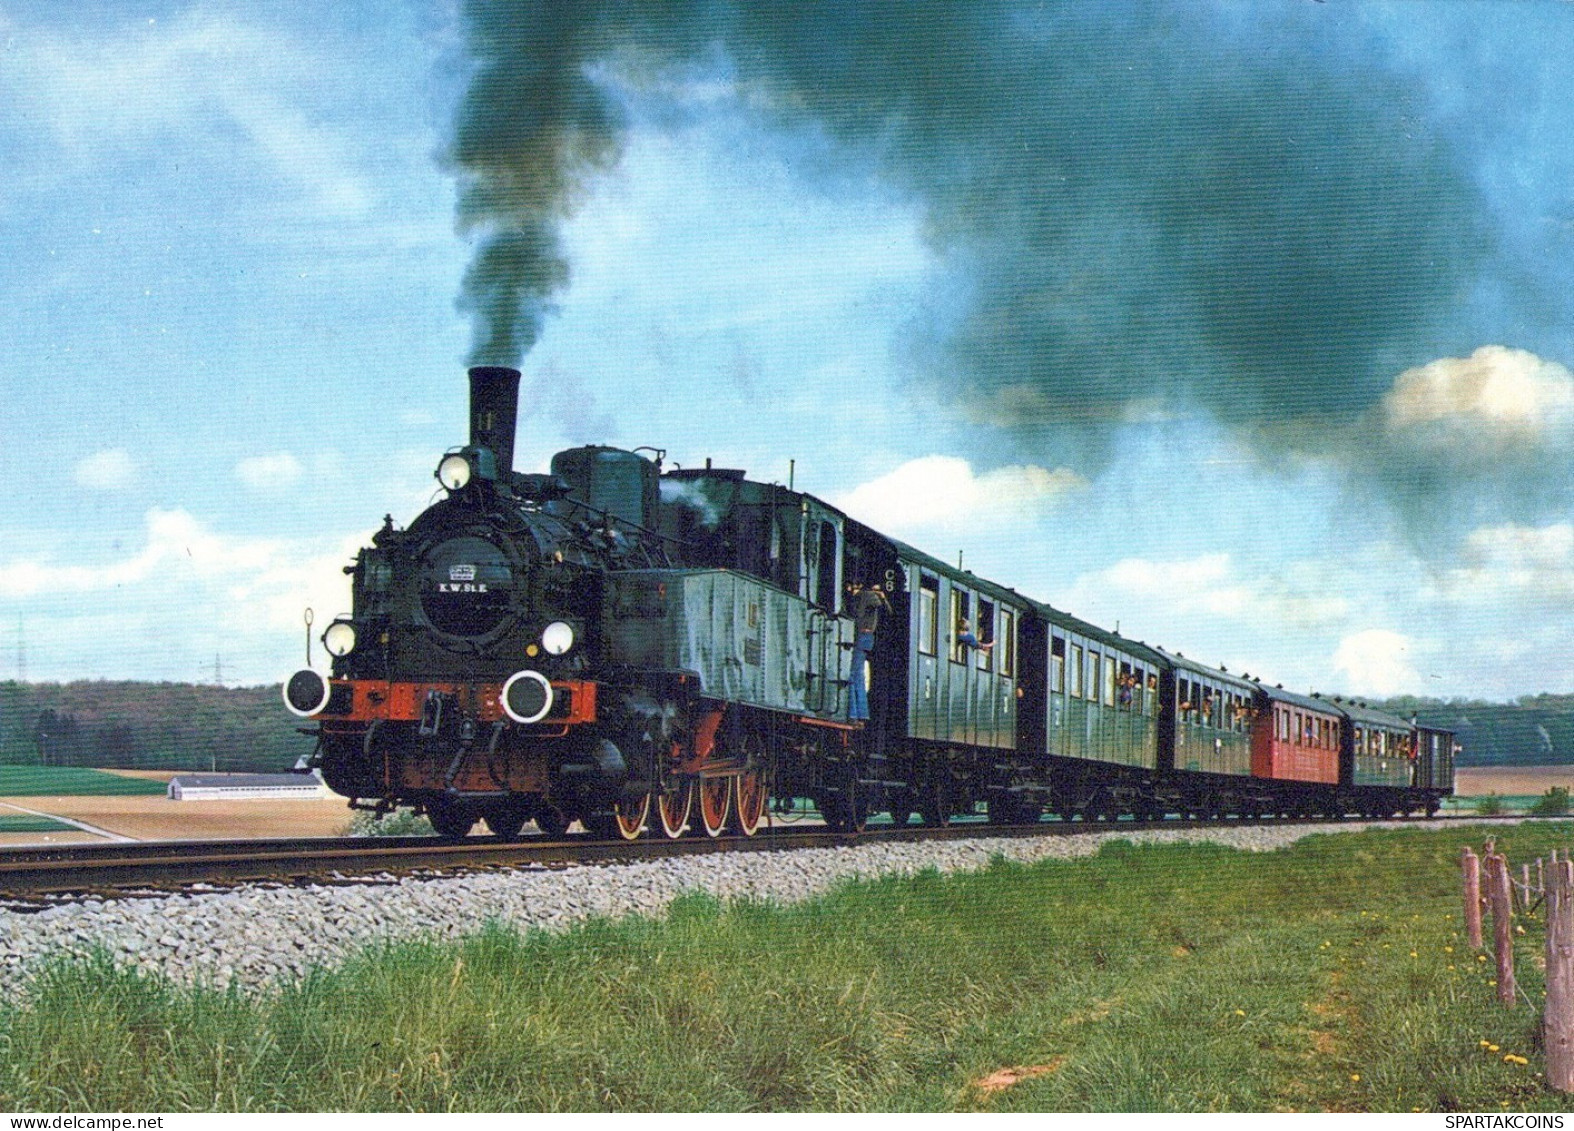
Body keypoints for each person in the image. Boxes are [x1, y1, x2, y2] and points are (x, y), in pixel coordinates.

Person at [846, 579, 892, 724]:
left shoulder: (864, 596)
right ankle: (862, 714)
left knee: (853, 675)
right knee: (858, 675)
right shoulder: (878, 599)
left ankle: (854, 713)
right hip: (868, 638)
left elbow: (857, 616)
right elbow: (888, 612)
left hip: (861, 636)